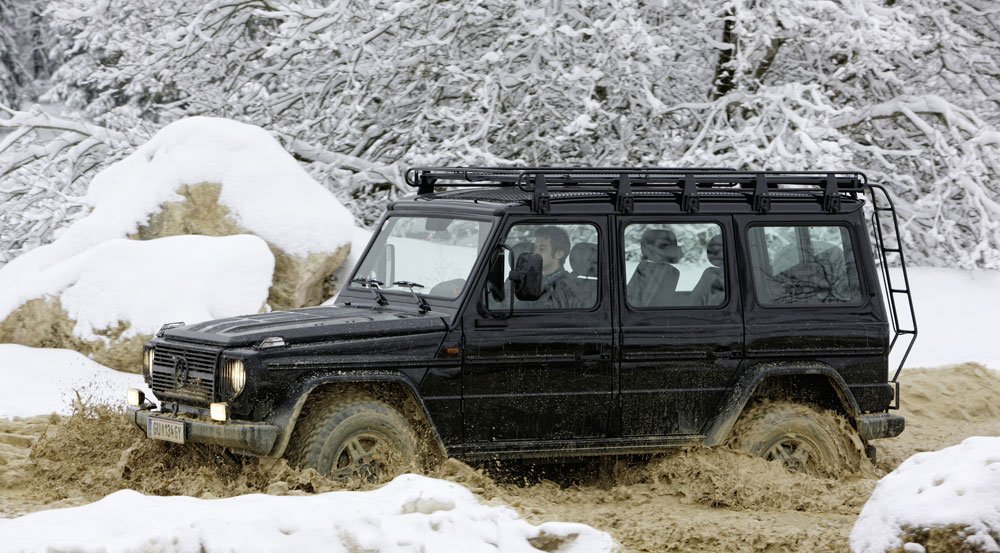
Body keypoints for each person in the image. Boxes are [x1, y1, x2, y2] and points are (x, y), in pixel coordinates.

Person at [524, 226, 578, 309]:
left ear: (558, 254)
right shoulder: (529, 279)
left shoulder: (566, 287)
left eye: (542, 249)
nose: (535, 253)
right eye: (535, 248)